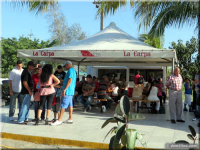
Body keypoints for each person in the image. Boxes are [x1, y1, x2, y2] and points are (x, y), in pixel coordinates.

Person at [51, 61, 76, 126]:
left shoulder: (70, 70)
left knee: (63, 105)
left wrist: (64, 89)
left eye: (65, 66)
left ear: (68, 65)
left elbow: (70, 80)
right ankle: (70, 118)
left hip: (67, 90)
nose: (64, 68)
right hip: (71, 91)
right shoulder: (73, 70)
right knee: (70, 105)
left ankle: (59, 120)